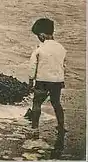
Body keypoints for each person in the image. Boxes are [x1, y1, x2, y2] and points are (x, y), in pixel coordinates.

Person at [28, 18, 67, 147]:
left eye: (38, 36)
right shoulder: (61, 48)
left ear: (42, 35)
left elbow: (33, 65)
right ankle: (61, 126)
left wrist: (30, 80)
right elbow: (63, 65)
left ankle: (34, 127)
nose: (38, 38)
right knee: (56, 103)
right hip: (57, 81)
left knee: (37, 102)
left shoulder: (40, 49)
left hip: (43, 80)